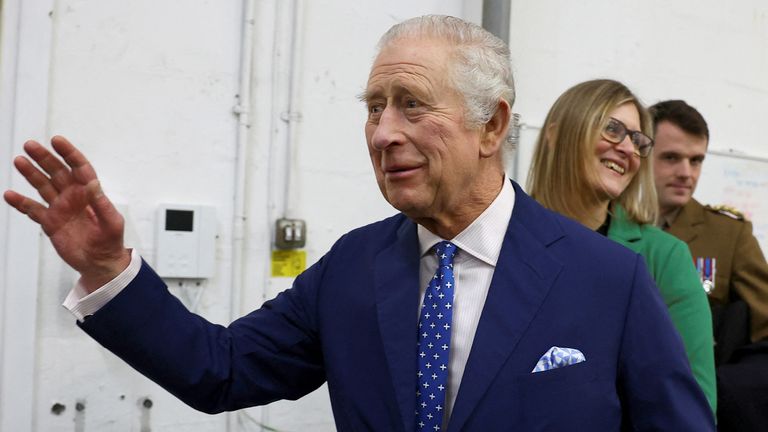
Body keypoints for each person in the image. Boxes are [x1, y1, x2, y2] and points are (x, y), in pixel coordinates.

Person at [4, 16, 714, 431]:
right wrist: (106, 269)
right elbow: (217, 370)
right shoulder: (354, 268)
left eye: (411, 105)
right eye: (373, 107)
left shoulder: (607, 280)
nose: (382, 133)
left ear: (491, 125)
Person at [526, 79, 716, 415]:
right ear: (556, 135)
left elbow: (691, 404)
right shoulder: (503, 239)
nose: (628, 149)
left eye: (638, 141)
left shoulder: (663, 257)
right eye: (612, 129)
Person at [650, 99, 768, 431]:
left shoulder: (728, 234)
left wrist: (727, 386)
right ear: (643, 153)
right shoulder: (611, 225)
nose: (686, 173)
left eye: (696, 160)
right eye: (671, 158)